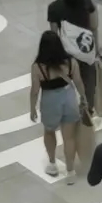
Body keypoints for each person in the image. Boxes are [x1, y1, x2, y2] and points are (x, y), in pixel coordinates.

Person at [31, 29, 82, 178]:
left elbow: (35, 90)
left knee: (49, 131)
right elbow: (78, 82)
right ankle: (71, 170)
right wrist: (84, 98)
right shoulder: (71, 62)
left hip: (49, 101)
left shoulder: (38, 67)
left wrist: (32, 108)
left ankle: (52, 164)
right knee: (69, 137)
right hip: (69, 98)